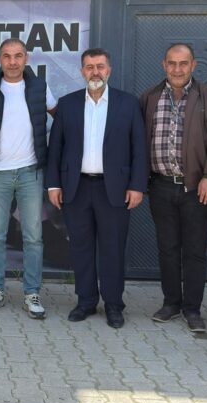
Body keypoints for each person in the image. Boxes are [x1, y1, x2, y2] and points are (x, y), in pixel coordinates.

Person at [45, 48, 147, 329]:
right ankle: (86, 301)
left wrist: (137, 186)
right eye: (89, 67)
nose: (95, 72)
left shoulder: (128, 104)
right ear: (82, 72)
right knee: (81, 247)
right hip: (76, 188)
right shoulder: (68, 104)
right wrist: (53, 184)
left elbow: (139, 148)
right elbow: (55, 149)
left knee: (113, 249)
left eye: (100, 66)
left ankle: (113, 304)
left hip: (114, 189)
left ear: (109, 70)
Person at [140, 43, 207, 332]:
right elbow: (139, 140)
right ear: (164, 65)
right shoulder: (150, 98)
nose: (177, 69)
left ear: (193, 65)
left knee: (194, 250)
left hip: (196, 188)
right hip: (161, 186)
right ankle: (171, 303)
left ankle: (192, 309)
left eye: (183, 63)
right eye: (172, 63)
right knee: (167, 248)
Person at [0, 38, 56, 318]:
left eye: (18, 56)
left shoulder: (39, 87)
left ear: (26, 58)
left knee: (33, 237)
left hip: (30, 172)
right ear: (0, 59)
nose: (13, 62)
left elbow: (60, 117)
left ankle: (32, 293)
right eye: (7, 56)